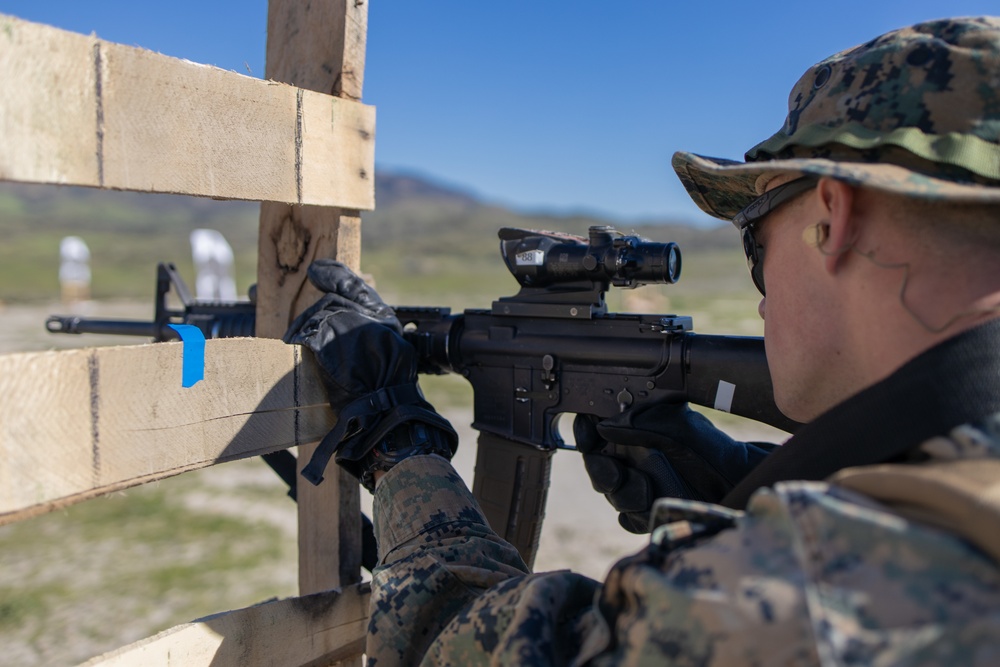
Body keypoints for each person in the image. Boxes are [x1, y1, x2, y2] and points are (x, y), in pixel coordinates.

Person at [286, 17, 1000, 665]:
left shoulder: (824, 587)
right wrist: (732, 477)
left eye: (754, 235)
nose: (760, 286)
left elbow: (460, 641)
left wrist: (398, 443)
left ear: (832, 218)